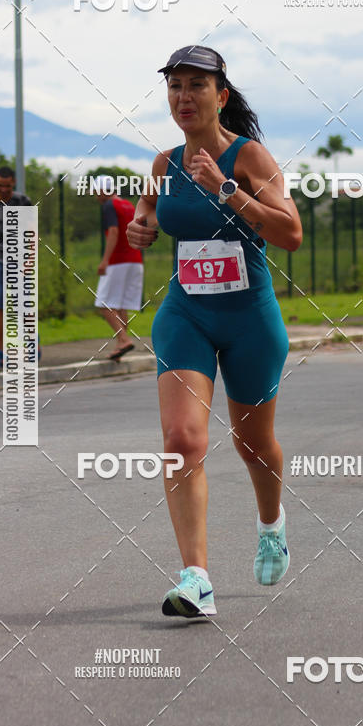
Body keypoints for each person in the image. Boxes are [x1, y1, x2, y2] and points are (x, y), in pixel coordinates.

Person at [126, 45, 302, 618]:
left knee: (252, 445)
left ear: (220, 96)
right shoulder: (164, 163)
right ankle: (195, 578)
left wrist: (226, 189)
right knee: (182, 441)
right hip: (187, 314)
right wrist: (142, 227)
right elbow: (148, 213)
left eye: (196, 86)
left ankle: (271, 525)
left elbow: (291, 233)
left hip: (250, 316)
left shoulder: (250, 157)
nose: (184, 97)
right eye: (175, 86)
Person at [0, 165, 32, 368]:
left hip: (20, 260)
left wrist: (28, 260)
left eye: (8, 186)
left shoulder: (23, 201)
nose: (4, 189)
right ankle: (3, 351)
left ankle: (30, 344)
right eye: (1, 185)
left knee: (23, 305)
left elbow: (31, 232)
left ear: (14, 183)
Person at [94, 174, 144, 360]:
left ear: (101, 190)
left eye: (96, 191)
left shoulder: (109, 206)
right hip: (135, 261)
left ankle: (123, 339)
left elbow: (114, 232)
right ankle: (120, 347)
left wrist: (105, 260)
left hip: (118, 261)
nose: (95, 195)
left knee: (104, 304)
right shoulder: (128, 205)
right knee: (121, 305)